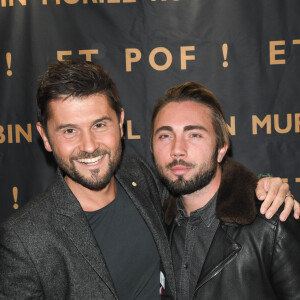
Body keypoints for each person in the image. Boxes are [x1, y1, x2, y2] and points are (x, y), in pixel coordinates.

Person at [0, 60, 297, 299]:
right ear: (45, 137)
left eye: (100, 125)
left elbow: (197, 172)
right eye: (69, 131)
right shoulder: (24, 240)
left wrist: (262, 184)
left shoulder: (140, 178)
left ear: (120, 123)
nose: (89, 146)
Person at [151, 81, 300, 299]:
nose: (177, 150)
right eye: (165, 136)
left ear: (221, 149)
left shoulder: (271, 223)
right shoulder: (153, 222)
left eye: (194, 135)